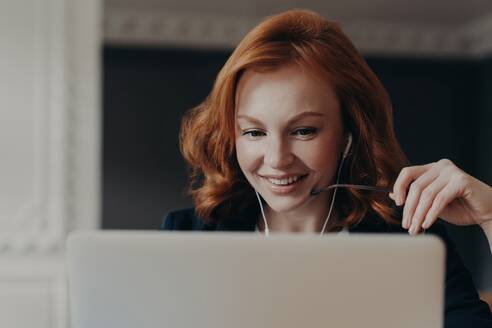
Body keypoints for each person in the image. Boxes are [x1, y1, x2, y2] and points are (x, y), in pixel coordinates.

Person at [160, 9, 492, 327]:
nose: (277, 159)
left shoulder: (412, 240)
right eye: (254, 132)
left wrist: (491, 216)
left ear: (348, 135)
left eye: (303, 131)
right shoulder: (184, 235)